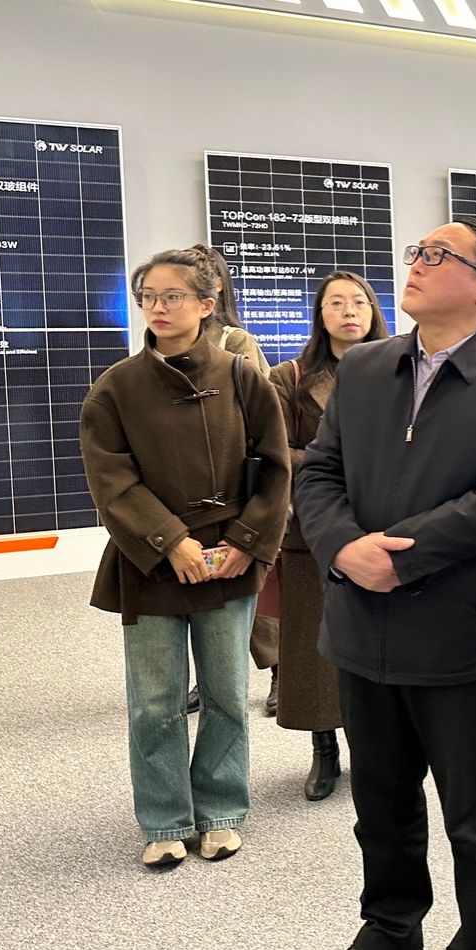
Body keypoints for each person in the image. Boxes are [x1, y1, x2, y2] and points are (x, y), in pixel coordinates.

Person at [294, 219, 476, 950]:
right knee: (379, 800)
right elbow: (319, 471)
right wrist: (344, 548)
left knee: (474, 814)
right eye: (419, 251)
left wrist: (398, 558)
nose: (417, 263)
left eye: (440, 255)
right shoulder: (366, 366)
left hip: (459, 631)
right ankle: (389, 929)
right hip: (361, 624)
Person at [79, 246, 289, 868]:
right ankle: (164, 818)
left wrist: (244, 544)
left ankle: (221, 811)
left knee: (226, 693)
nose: (158, 307)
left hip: (230, 557)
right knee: (154, 701)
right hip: (149, 561)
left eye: (173, 296)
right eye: (148, 297)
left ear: (206, 303)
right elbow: (111, 481)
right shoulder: (115, 388)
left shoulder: (243, 377)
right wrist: (171, 541)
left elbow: (276, 469)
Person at [267, 270, 389, 800]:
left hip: (385, 524)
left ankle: (375, 748)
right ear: (320, 315)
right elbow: (270, 451)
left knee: (380, 641)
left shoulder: (403, 370)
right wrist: (336, 465)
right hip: (312, 529)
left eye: (358, 301)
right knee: (314, 647)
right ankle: (324, 749)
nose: (348, 311)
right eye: (335, 303)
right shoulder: (289, 378)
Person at [184, 243, 276, 716]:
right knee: (203, 585)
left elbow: (261, 411)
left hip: (235, 479)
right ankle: (210, 679)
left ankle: (282, 670)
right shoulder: (164, 343)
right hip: (188, 482)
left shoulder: (235, 341)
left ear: (216, 286)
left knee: (253, 579)